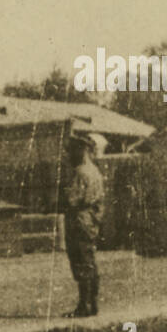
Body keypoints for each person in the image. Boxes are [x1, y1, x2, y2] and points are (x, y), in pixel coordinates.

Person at [60, 131, 105, 317]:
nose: (69, 155)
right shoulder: (94, 171)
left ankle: (84, 306)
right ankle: (92, 304)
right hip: (91, 221)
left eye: (71, 151)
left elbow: (71, 200)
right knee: (90, 262)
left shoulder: (80, 173)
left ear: (82, 151)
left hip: (79, 221)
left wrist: (52, 204)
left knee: (81, 263)